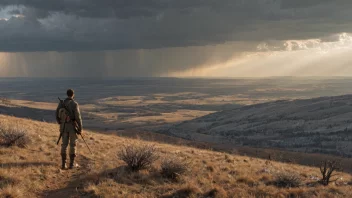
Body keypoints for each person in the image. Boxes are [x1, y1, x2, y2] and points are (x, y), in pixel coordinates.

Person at [56, 89, 83, 169]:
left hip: (63, 127)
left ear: (67, 94)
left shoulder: (61, 103)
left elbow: (57, 114)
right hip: (72, 127)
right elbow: (78, 117)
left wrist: (60, 122)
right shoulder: (74, 104)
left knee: (64, 145)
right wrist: (80, 128)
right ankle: (71, 164)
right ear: (73, 94)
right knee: (72, 145)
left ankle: (63, 164)